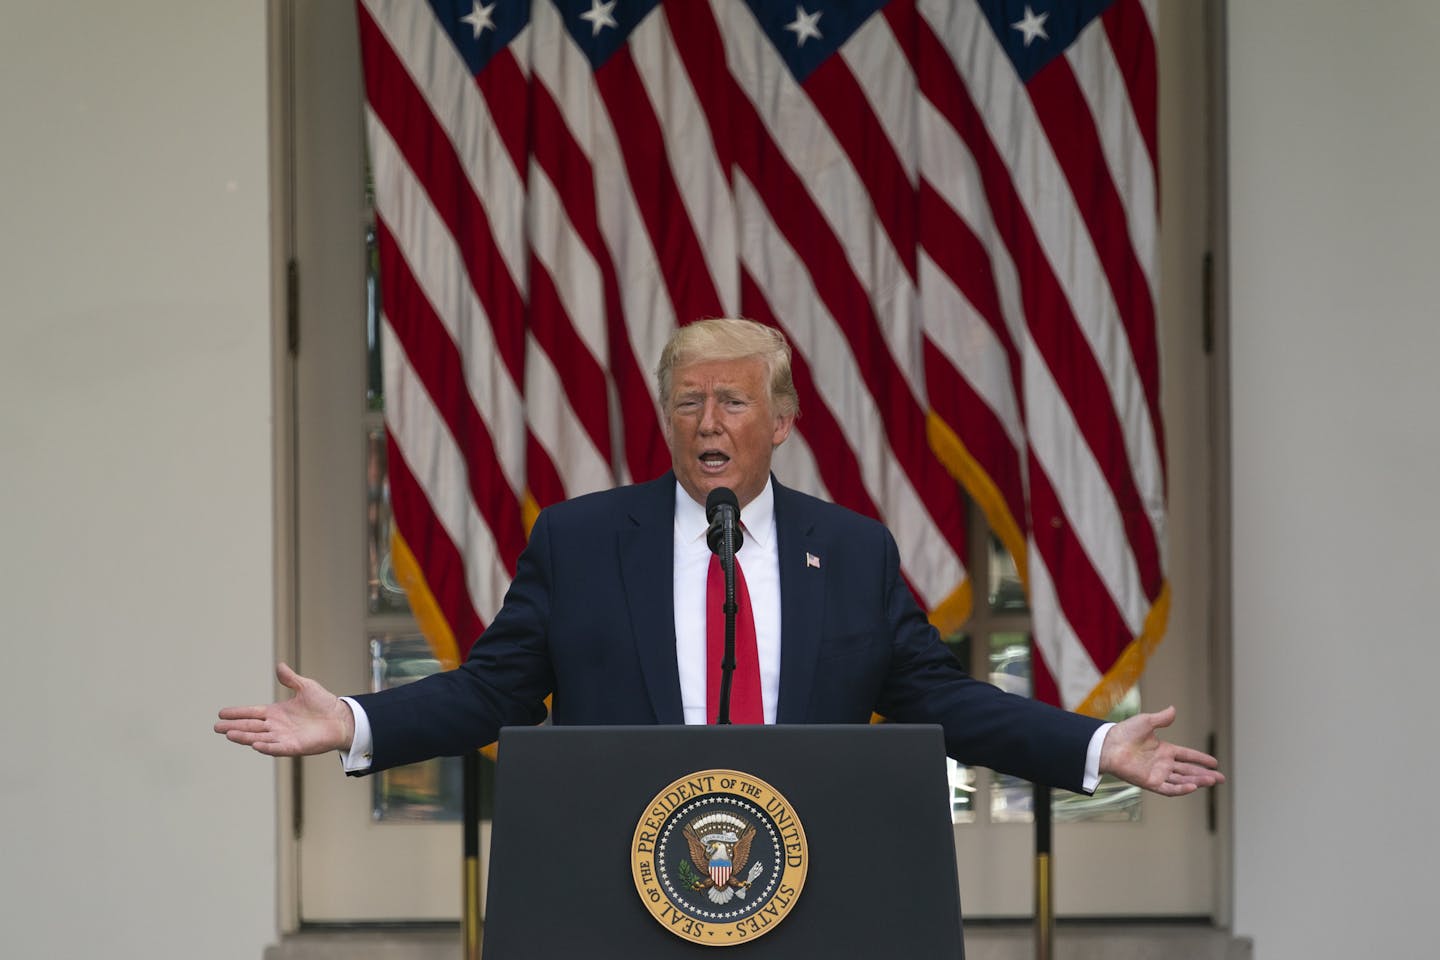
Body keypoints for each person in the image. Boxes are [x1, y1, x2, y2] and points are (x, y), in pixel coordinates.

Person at [217, 318, 1223, 799]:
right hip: (621, 877)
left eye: (733, 400)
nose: (709, 421)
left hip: (808, 878)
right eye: (688, 401)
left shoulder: (853, 551)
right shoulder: (581, 540)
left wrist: (1097, 746)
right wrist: (353, 718)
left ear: (781, 421)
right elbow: (494, 695)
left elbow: (939, 702)